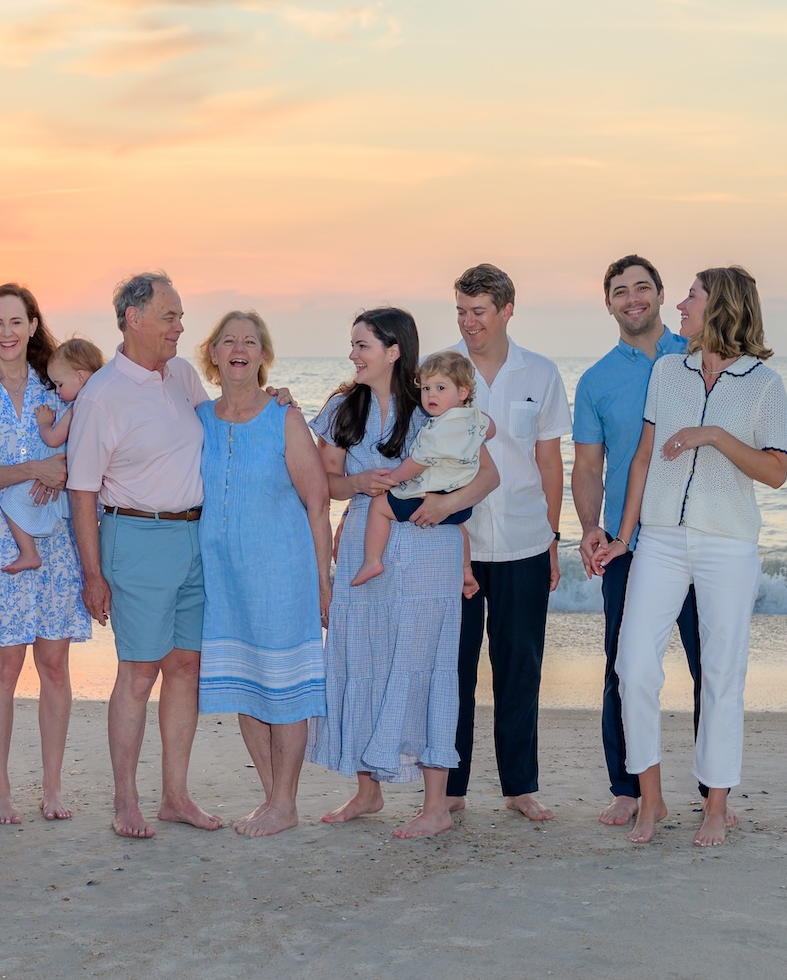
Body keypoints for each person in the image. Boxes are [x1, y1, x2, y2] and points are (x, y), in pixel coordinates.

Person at [593, 266, 787, 847]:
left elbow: (776, 471)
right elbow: (643, 458)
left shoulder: (764, 385)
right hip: (660, 538)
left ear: (721, 306)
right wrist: (624, 535)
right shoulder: (667, 371)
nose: (680, 305)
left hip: (728, 543)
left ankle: (716, 804)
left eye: (692, 296)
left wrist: (711, 436)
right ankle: (649, 800)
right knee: (633, 666)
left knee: (723, 675)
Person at [307, 309, 501, 839]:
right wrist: (360, 482)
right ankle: (368, 791)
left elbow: (488, 476)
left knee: (426, 664)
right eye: (353, 344)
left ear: (394, 350)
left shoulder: (435, 404)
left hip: (426, 549)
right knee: (364, 657)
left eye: (362, 344)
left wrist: (445, 505)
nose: (353, 354)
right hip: (364, 549)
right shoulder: (342, 407)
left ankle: (436, 804)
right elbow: (323, 483)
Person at [66, 272, 221, 839]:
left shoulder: (181, 375)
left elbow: (221, 428)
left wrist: (268, 398)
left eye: (179, 317)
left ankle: (175, 796)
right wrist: (92, 574)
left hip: (194, 539)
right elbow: (81, 489)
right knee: (137, 673)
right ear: (134, 319)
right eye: (170, 317)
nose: (180, 328)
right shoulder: (102, 395)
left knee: (185, 667)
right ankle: (125, 801)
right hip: (134, 539)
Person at [0, 284, 94, 825]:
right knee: (4, 666)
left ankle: (53, 787)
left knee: (54, 664)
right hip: (0, 543)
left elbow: (96, 450)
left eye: (17, 321)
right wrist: (35, 468)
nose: (7, 332)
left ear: (33, 325)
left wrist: (64, 473)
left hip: (58, 544)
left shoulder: (59, 386)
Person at [572, 255, 705, 827]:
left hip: (697, 534)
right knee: (622, 667)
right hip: (627, 543)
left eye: (642, 288)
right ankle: (626, 788)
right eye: (620, 291)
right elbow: (586, 467)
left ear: (660, 294)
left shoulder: (699, 354)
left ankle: (711, 789)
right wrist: (588, 527)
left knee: (710, 664)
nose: (633, 299)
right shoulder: (596, 381)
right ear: (608, 304)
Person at [193, 310, 333, 837]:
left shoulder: (284, 417)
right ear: (212, 353)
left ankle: (285, 800)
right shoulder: (199, 417)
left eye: (249, 341)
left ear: (262, 355)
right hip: (222, 578)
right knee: (244, 687)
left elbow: (317, 503)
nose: (238, 348)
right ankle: (273, 799)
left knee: (285, 688)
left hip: (281, 574)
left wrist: (323, 579)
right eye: (228, 340)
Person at [445, 263, 570, 823]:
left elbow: (549, 461)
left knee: (521, 665)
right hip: (457, 543)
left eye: (479, 312)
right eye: (462, 312)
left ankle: (520, 786)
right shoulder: (440, 370)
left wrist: (552, 536)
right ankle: (449, 787)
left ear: (506, 311)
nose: (469, 323)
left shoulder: (540, 373)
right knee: (454, 668)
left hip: (524, 539)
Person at [349, 350, 492, 591]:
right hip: (461, 503)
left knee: (380, 507)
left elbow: (416, 464)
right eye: (426, 389)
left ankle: (372, 561)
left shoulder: (439, 431)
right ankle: (466, 570)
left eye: (440, 388)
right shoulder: (473, 417)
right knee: (458, 526)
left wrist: (393, 479)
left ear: (463, 392)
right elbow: (492, 430)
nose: (431, 395)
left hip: (430, 497)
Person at [0, 337, 104, 574]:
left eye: (60, 384)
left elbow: (53, 439)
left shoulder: (80, 406)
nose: (57, 391)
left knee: (10, 501)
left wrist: (45, 424)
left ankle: (29, 553)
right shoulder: (99, 404)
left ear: (81, 377)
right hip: (66, 478)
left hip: (55, 472)